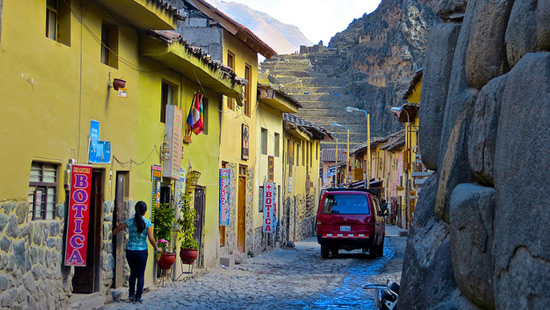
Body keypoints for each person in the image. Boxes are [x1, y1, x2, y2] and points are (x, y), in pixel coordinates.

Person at [113, 201, 162, 303]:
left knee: (133, 273)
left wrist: (112, 234)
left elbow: (117, 229)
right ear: (145, 212)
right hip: (142, 251)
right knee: (140, 274)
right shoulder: (147, 223)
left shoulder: (129, 222)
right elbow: (151, 238)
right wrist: (157, 248)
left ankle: (131, 294)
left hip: (130, 251)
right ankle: (138, 296)